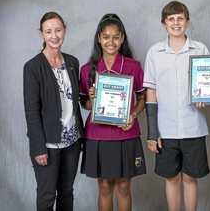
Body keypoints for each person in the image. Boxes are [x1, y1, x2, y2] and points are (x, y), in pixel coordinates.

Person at [144, 0, 210, 211]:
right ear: (164, 23)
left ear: (187, 21)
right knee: (171, 178)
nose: (176, 23)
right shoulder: (155, 52)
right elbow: (151, 92)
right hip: (166, 128)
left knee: (190, 178)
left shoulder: (200, 49)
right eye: (171, 19)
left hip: (193, 127)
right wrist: (152, 132)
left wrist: (207, 97)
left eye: (180, 18)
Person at [79, 13, 146, 211]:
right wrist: (91, 100)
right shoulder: (87, 69)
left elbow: (142, 99)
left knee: (124, 186)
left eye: (116, 36)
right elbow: (84, 104)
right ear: (99, 38)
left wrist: (132, 115)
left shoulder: (133, 66)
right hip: (98, 135)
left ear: (123, 38)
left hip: (126, 132)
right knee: (105, 186)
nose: (111, 41)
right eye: (106, 36)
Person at [23, 11, 84, 211]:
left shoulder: (73, 63)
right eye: (48, 31)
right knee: (47, 195)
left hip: (72, 141)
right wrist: (38, 147)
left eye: (58, 30)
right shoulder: (32, 67)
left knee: (66, 191)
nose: (54, 36)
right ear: (41, 34)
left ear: (65, 30)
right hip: (47, 145)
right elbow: (32, 112)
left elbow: (77, 101)